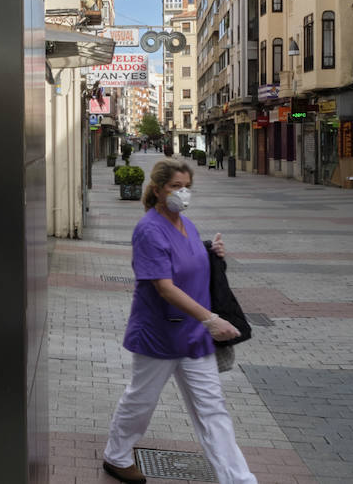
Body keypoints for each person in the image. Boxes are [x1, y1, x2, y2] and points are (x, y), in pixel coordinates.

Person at [101, 158, 256, 484]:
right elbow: (164, 286)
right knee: (141, 401)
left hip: (194, 336)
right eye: (175, 187)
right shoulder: (148, 230)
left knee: (213, 411)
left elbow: (188, 258)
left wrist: (212, 253)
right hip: (160, 335)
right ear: (158, 190)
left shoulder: (187, 225)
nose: (183, 193)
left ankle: (240, 480)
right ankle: (116, 456)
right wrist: (211, 319)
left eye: (187, 187)